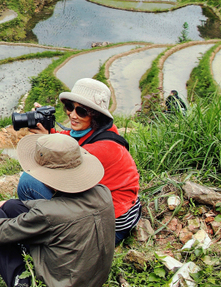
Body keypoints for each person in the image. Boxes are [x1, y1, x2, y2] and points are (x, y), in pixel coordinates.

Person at [0, 133, 115, 287]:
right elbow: (55, 207)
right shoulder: (103, 193)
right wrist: (7, 204)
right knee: (11, 206)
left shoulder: (49, 215)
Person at [18, 78, 141, 244]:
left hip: (110, 226)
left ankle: (51, 238)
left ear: (95, 116)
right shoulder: (95, 132)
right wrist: (49, 133)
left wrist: (47, 141)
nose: (73, 115)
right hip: (104, 207)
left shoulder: (103, 148)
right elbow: (69, 139)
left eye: (81, 112)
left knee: (29, 182)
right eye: (70, 107)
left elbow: (59, 180)